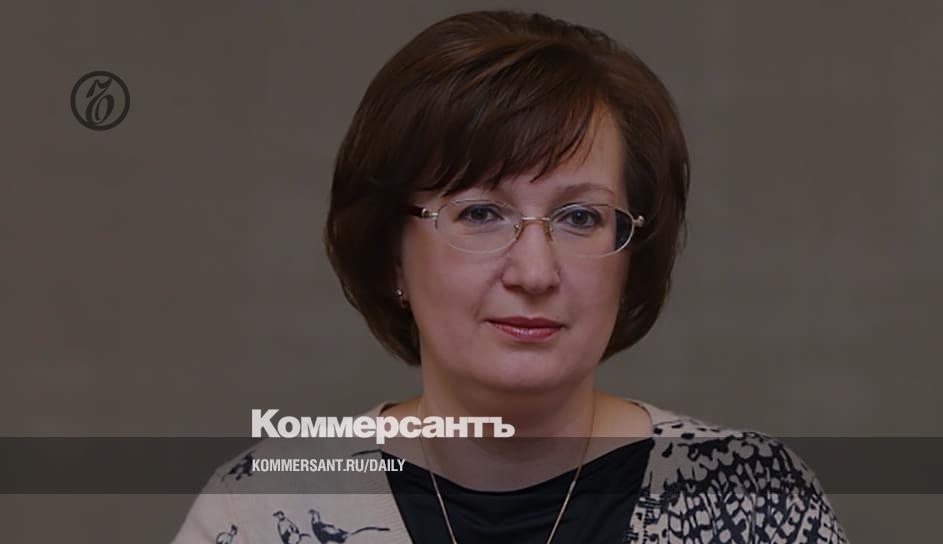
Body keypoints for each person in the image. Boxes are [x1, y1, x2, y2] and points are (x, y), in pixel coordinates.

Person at [172, 9, 849, 544]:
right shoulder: (267, 510)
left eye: (580, 217)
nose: (534, 271)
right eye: (480, 213)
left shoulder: (751, 502)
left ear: (631, 254)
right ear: (390, 255)